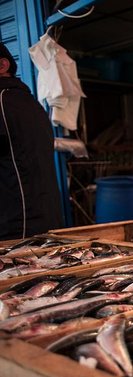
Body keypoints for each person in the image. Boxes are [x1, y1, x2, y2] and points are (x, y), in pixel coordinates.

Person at [0, 42, 62, 240]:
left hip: (17, 231)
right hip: (40, 221)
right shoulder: (26, 101)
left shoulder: (4, 102)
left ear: (2, 66)